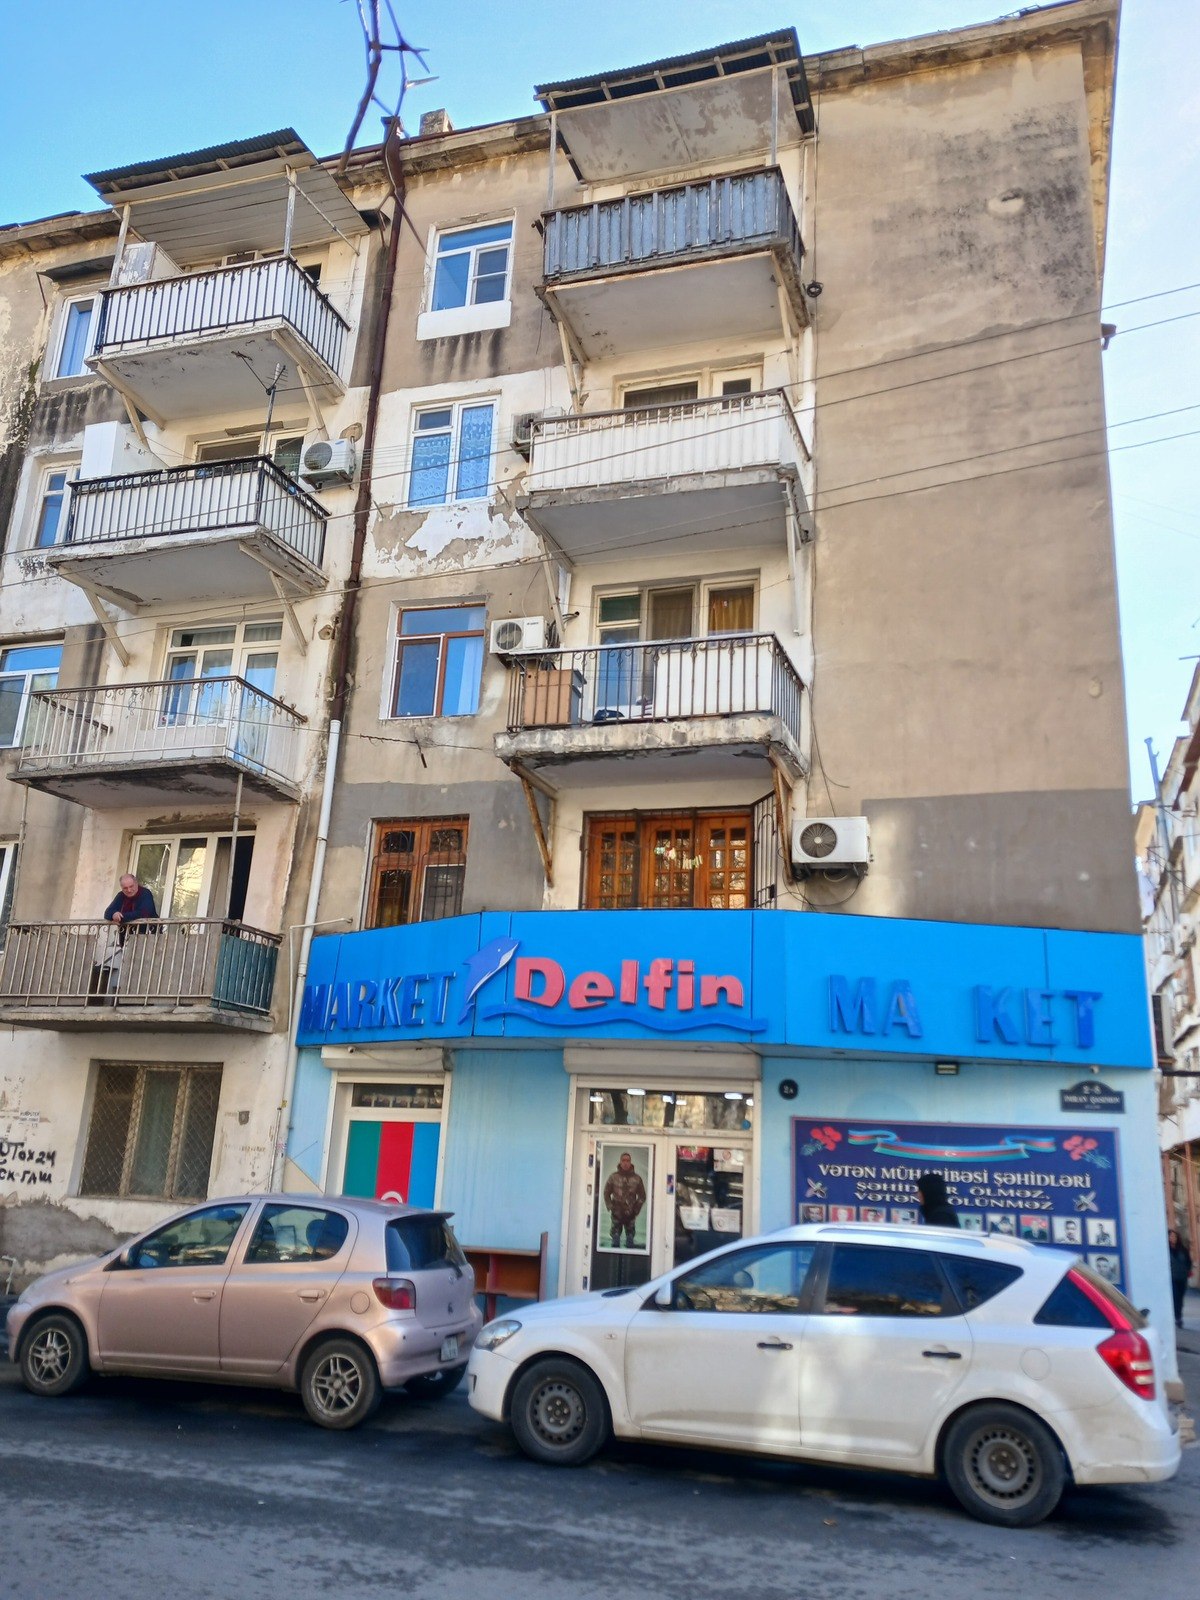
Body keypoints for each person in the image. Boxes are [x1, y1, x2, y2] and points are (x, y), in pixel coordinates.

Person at [603, 1152, 646, 1249]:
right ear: (620, 1162)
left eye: (628, 1161)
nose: (625, 1163)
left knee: (630, 1240)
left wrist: (636, 1209)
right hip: (616, 1212)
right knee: (615, 1240)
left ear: (630, 1162)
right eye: (623, 1160)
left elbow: (642, 1196)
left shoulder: (637, 1178)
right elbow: (606, 1193)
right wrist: (611, 1206)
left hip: (630, 1212)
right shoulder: (613, 1177)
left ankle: (629, 1256)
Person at [1168, 1227, 1193, 1329]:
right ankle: (1177, 1317)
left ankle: (1179, 1315)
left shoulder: (1183, 1250)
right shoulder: (1166, 1250)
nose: (1173, 1238)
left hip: (1182, 1278)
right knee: (1175, 1297)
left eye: (1174, 1236)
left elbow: (1189, 1262)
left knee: (1180, 1298)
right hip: (1172, 1278)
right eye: (1171, 1236)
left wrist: (1187, 1271)